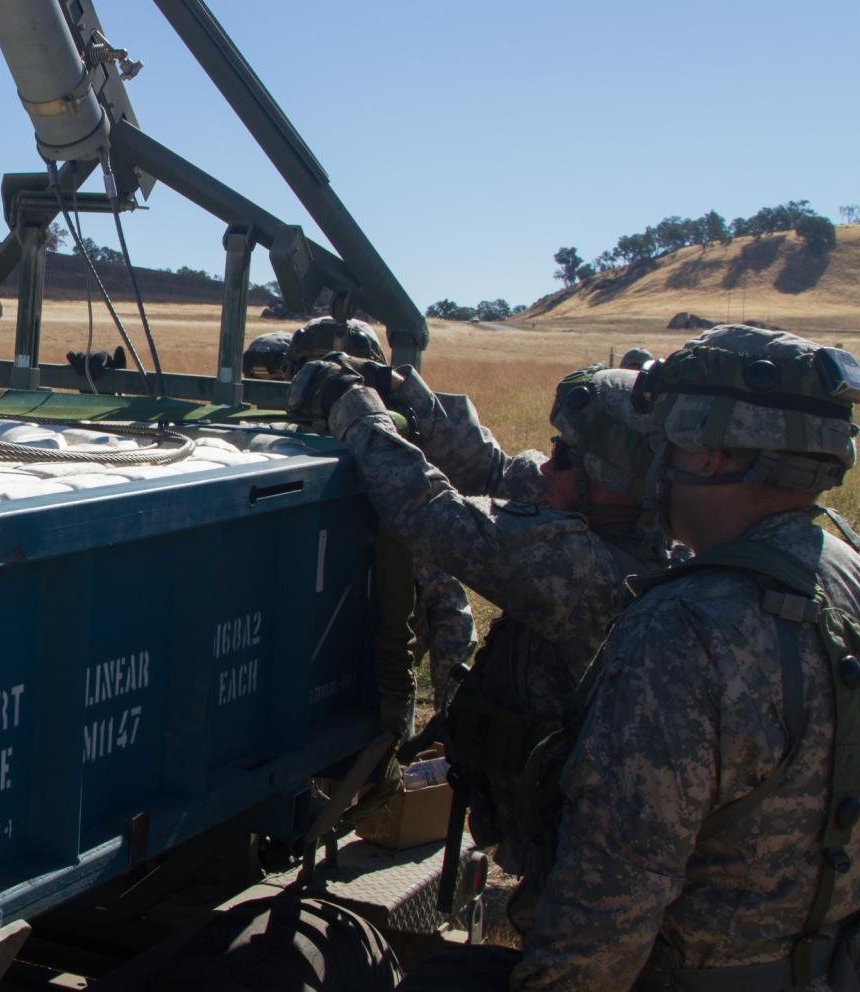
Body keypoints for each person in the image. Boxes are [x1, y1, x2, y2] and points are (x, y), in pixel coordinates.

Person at [513, 326, 860, 990]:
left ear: (714, 454)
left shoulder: (686, 626)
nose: (656, 464)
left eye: (667, 442)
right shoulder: (847, 577)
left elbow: (612, 898)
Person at [287, 358, 672, 883]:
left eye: (564, 456)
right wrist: (406, 394)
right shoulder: (629, 528)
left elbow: (427, 511)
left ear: (606, 480)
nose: (546, 465)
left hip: (576, 860)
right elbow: (495, 471)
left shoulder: (584, 570)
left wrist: (353, 409)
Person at [287, 316, 479, 712]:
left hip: (373, 689)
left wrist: (446, 715)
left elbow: (448, 611)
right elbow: (452, 618)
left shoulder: (390, 475)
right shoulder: (391, 475)